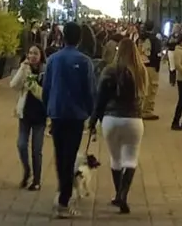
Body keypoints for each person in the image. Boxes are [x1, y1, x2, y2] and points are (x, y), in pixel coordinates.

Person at [42, 21, 96, 219]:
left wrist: (47, 109)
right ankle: (64, 198)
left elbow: (46, 87)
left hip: (57, 112)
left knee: (60, 153)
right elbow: (90, 91)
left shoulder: (53, 60)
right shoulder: (84, 61)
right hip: (75, 115)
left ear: (63, 37)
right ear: (80, 38)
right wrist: (92, 114)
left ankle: (62, 190)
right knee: (70, 154)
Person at [94, 38, 148, 214]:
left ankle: (118, 194)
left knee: (115, 158)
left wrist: (93, 119)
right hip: (133, 119)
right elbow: (143, 96)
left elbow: (100, 97)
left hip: (111, 119)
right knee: (131, 159)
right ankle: (123, 194)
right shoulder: (141, 71)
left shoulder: (110, 70)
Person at [8, 45, 47, 190]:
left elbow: (44, 94)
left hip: (40, 115)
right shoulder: (26, 69)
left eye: (35, 53)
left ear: (41, 55)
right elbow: (13, 85)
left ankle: (36, 180)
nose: (32, 56)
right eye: (30, 53)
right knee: (21, 144)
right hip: (25, 113)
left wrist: (32, 83)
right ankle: (27, 171)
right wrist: (23, 69)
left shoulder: (46, 71)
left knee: (37, 149)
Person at [138, 26, 160, 120]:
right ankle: (147, 110)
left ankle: (140, 108)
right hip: (151, 65)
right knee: (152, 88)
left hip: (142, 64)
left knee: (142, 87)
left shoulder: (140, 38)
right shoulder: (153, 39)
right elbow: (152, 53)